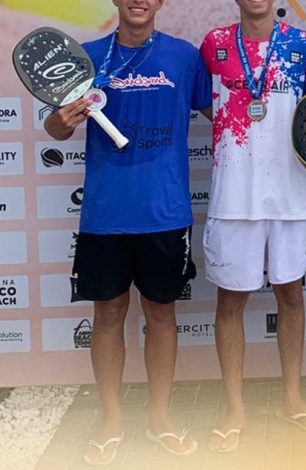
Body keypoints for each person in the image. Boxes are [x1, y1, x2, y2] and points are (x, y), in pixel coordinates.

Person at [44, 0, 212, 463]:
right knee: (108, 314)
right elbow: (56, 128)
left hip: (165, 212)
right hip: (105, 214)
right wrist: (60, 121)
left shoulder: (184, 56)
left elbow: (224, 116)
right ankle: (112, 419)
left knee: (161, 314)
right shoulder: (87, 57)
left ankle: (160, 418)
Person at [199, 0, 306, 452]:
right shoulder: (214, 44)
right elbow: (203, 104)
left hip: (290, 195)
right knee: (231, 302)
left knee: (291, 296)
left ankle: (292, 399)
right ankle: (234, 409)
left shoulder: (302, 45)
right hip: (234, 196)